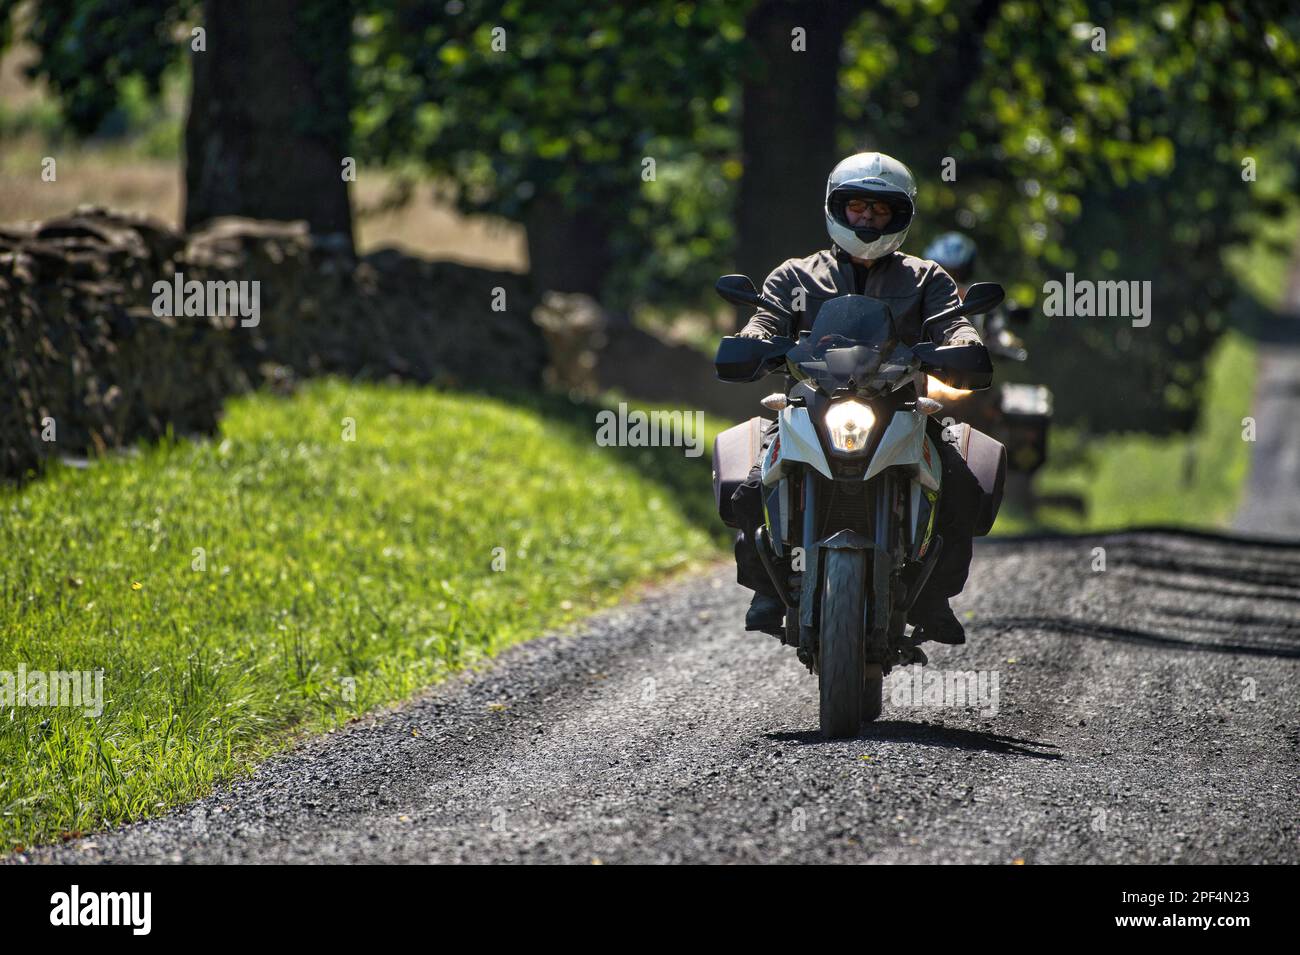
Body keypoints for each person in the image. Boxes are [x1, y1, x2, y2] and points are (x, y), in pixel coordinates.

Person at [730, 151, 984, 646]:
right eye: (857, 207)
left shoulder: (926, 278)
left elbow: (953, 322)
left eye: (880, 210)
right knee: (748, 488)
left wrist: (965, 344)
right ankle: (766, 589)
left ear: (899, 216)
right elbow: (765, 318)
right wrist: (754, 339)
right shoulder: (795, 275)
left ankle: (933, 598)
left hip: (901, 409)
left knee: (963, 490)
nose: (867, 219)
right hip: (810, 406)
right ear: (836, 208)